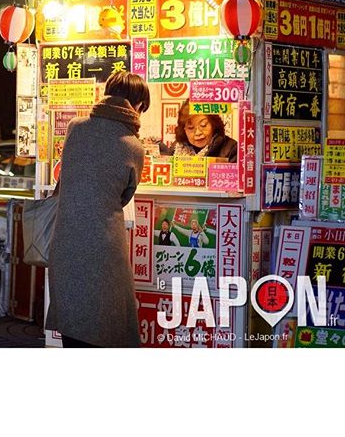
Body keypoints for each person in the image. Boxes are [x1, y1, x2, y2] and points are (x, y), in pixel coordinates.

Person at [45, 71, 150, 348]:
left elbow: (67, 175)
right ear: (137, 104)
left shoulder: (75, 128)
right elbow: (125, 195)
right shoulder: (133, 146)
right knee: (108, 323)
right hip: (105, 245)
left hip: (66, 239)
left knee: (74, 319)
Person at [171, 100, 238, 162]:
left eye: (203, 125)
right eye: (190, 128)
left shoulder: (231, 149)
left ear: (214, 124)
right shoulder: (175, 148)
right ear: (183, 130)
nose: (198, 133)